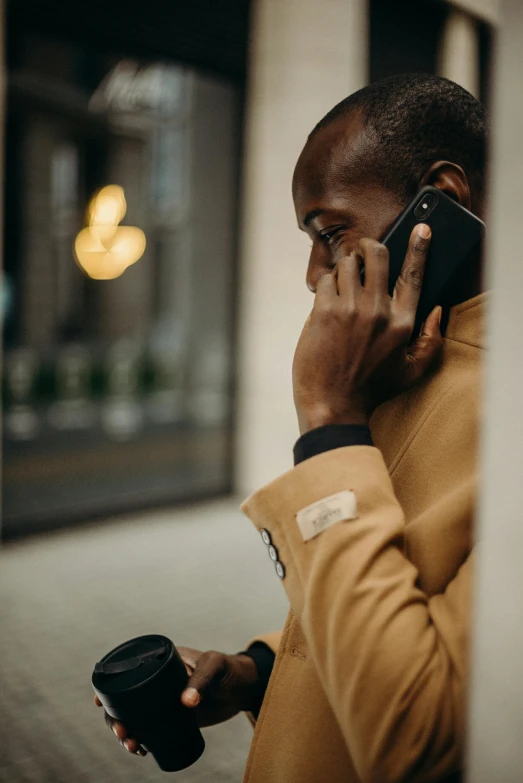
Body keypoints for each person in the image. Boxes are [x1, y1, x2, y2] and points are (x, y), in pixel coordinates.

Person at [95, 73, 486, 782]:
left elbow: (421, 739)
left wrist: (330, 420)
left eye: (329, 232)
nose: (314, 273)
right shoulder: (405, 360)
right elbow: (388, 598)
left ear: (443, 200)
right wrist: (260, 670)